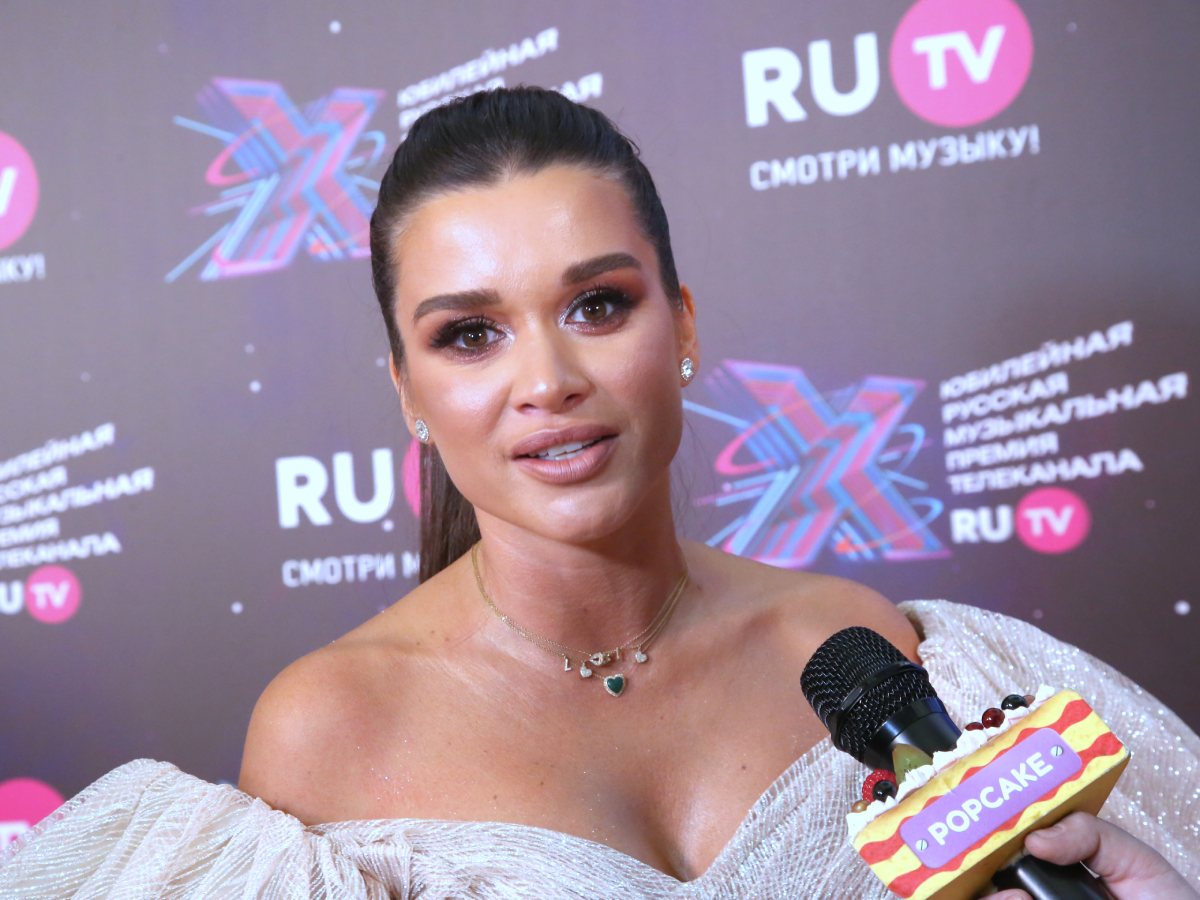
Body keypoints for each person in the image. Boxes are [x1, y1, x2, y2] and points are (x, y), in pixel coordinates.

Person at [1, 87, 1196, 899]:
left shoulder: (866, 651)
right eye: (470, 334)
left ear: (683, 328)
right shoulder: (328, 730)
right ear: (408, 392)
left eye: (598, 305)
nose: (547, 381)